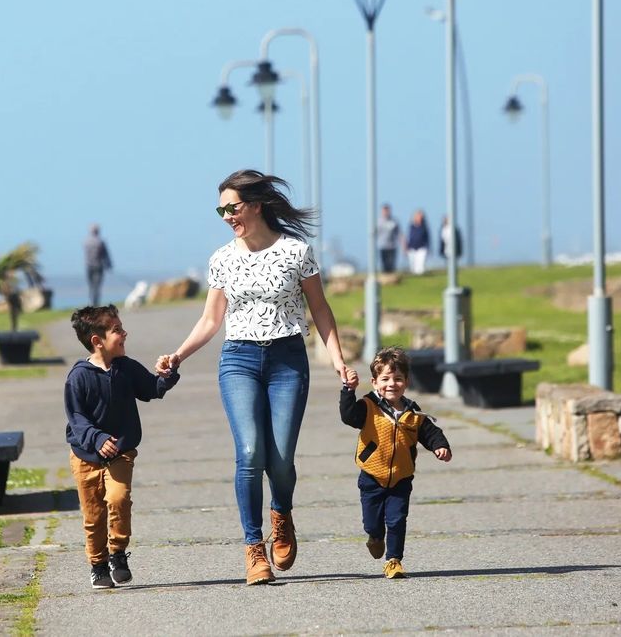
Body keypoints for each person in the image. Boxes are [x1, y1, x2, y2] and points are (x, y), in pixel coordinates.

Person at [155, 169, 350, 586]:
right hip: (239, 360)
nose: (227, 217)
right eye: (221, 211)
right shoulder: (222, 259)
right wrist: (178, 355)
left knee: (280, 460)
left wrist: (337, 359)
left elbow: (320, 309)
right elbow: (211, 319)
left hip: (287, 360)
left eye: (233, 208)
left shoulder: (297, 251)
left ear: (257, 206)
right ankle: (253, 548)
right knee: (249, 452)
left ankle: (281, 513)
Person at [64, 305, 180, 589]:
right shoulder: (78, 376)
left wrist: (168, 374)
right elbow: (76, 418)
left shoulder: (126, 368)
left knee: (118, 499)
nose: (124, 333)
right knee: (93, 516)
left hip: (121, 453)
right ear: (97, 340)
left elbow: (151, 388)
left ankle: (117, 553)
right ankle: (98, 564)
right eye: (117, 330)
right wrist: (97, 438)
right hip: (85, 456)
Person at [341, 347, 451, 579]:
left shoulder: (413, 412)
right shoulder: (368, 406)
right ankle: (375, 537)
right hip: (371, 477)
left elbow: (430, 432)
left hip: (401, 478)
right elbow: (349, 416)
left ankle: (394, 561)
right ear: (374, 382)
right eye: (385, 379)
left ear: (406, 382)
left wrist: (440, 446)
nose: (392, 384)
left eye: (398, 379)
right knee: (372, 523)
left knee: (397, 520)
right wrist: (348, 390)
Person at [83, 224, 113, 306]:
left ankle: (92, 302)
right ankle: (95, 303)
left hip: (89, 266)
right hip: (98, 267)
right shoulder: (100, 242)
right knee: (97, 286)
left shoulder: (86, 242)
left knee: (91, 285)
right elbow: (106, 255)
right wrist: (109, 265)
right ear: (98, 231)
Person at [377, 204, 404, 274]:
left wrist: (403, 244)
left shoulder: (394, 221)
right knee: (385, 264)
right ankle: (385, 276)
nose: (386, 212)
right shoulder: (378, 221)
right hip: (383, 246)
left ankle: (392, 275)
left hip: (392, 246)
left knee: (391, 264)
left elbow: (399, 233)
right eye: (384, 211)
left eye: (387, 211)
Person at [406, 210, 430, 275]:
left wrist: (427, 247)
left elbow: (427, 238)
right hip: (412, 247)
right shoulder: (411, 226)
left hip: (422, 247)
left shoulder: (424, 227)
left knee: (420, 267)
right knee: (413, 267)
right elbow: (409, 237)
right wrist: (407, 247)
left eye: (421, 217)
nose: (419, 218)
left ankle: (421, 275)